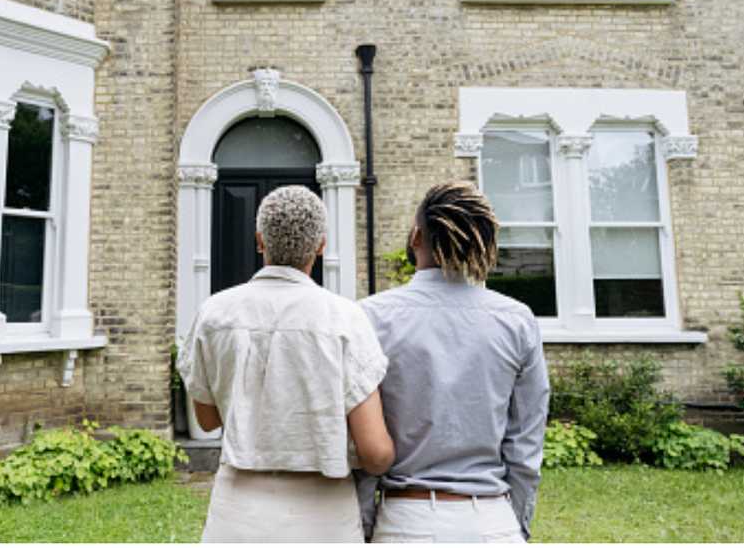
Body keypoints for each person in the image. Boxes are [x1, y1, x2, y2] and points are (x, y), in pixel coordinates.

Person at [178, 185, 395, 543]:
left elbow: (207, 419)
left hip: (237, 513)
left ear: (260, 241)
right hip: (325, 516)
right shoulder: (345, 318)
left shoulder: (215, 312)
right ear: (321, 245)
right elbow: (375, 452)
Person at [356, 180, 550, 543]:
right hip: (493, 521)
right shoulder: (517, 320)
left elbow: (361, 450)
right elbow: (525, 447)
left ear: (416, 237)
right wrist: (517, 527)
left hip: (405, 519)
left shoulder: (371, 318)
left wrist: (365, 526)